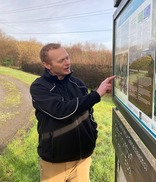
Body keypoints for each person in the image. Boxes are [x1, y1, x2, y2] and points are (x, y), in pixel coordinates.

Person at [30, 43, 116, 182]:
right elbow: (61, 111)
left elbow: (88, 112)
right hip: (54, 162)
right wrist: (96, 95)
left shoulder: (79, 83)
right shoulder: (39, 87)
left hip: (82, 160)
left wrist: (92, 133)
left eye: (67, 58)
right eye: (61, 60)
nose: (67, 62)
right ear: (47, 65)